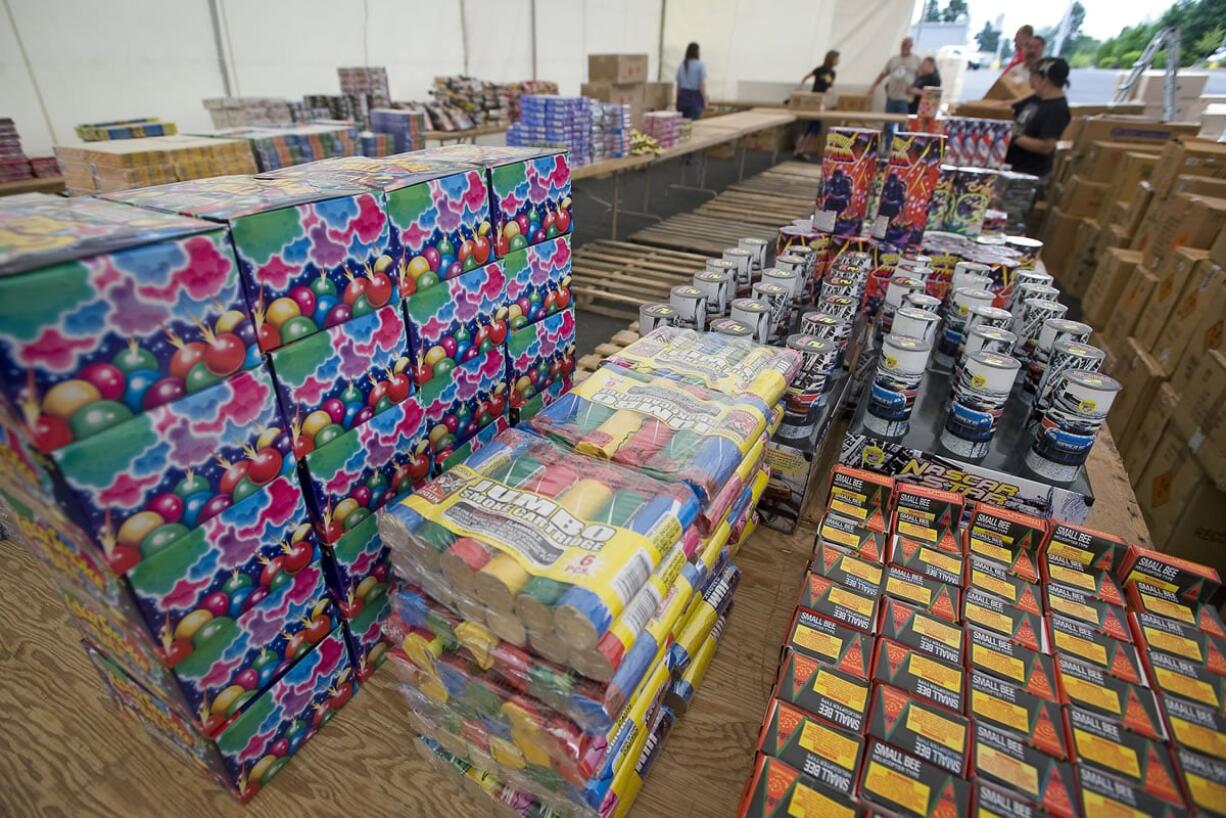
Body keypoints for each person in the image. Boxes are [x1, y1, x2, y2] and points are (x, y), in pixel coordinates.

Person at [1006, 57, 1072, 179]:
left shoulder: (1057, 109)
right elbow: (1009, 106)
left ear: (1045, 78)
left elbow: (1046, 147)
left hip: (1028, 175)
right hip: (1012, 167)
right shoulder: (1037, 98)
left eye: (1033, 75)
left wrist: (1013, 134)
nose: (1030, 80)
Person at [870, 37, 920, 143]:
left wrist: (916, 90)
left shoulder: (916, 60)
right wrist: (874, 86)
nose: (905, 47)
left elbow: (921, 77)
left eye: (907, 45)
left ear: (911, 46)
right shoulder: (894, 59)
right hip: (892, 96)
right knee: (888, 124)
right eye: (903, 45)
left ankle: (901, 147)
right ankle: (887, 147)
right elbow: (883, 73)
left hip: (906, 99)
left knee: (904, 125)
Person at [793, 50, 839, 159]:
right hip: (814, 99)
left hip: (823, 100)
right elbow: (806, 77)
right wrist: (800, 87)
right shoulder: (820, 69)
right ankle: (799, 149)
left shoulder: (832, 73)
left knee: (814, 127)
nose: (838, 61)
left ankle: (800, 149)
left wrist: (831, 92)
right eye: (837, 58)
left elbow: (830, 86)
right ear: (831, 59)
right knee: (812, 125)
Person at [676, 42, 707, 120]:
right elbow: (701, 85)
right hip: (694, 99)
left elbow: (678, 86)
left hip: (682, 98)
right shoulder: (700, 65)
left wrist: (677, 100)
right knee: (693, 125)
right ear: (697, 52)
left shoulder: (681, 65)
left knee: (683, 126)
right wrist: (705, 100)